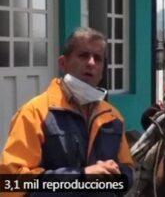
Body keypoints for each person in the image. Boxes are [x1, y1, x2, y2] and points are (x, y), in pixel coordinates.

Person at [0, 27, 134, 196]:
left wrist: (116, 177)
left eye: (98, 58)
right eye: (83, 55)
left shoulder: (113, 117)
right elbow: (10, 182)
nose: (91, 63)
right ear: (63, 63)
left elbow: (128, 170)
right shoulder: (35, 112)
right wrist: (81, 178)